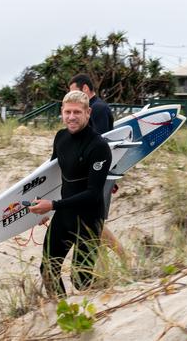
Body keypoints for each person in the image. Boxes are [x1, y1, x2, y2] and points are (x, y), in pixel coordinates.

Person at [29, 90, 111, 298]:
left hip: (89, 220)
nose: (71, 117)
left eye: (77, 112)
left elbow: (93, 194)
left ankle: (110, 290)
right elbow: (54, 176)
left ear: (88, 112)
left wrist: (53, 205)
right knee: (48, 270)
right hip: (64, 216)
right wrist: (45, 208)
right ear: (62, 112)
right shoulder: (61, 137)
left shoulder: (99, 147)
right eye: (67, 112)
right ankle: (61, 310)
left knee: (81, 280)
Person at [69, 73, 128, 262]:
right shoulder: (90, 109)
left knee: (93, 221)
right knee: (91, 222)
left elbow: (102, 144)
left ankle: (125, 257)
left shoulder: (99, 109)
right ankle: (103, 267)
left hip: (97, 174)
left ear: (85, 89)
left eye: (74, 92)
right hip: (92, 174)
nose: (72, 98)